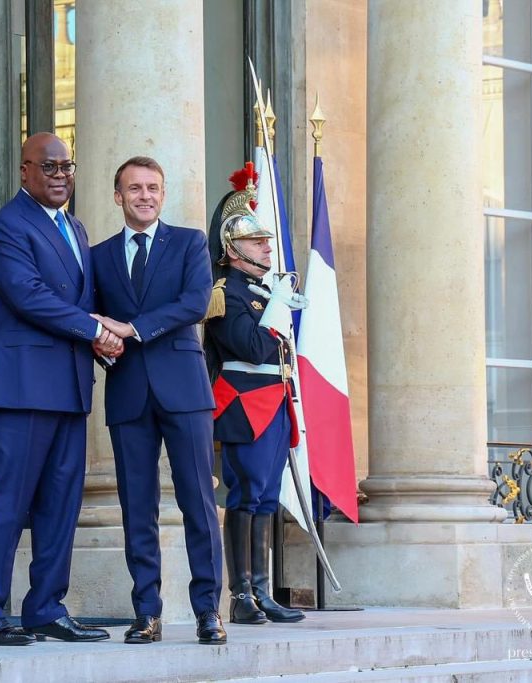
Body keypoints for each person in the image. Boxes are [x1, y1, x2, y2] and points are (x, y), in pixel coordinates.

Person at [0, 132, 121, 646]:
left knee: (61, 504)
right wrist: (92, 328)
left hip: (69, 385)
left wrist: (99, 332)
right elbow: (29, 297)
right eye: (48, 167)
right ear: (24, 172)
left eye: (66, 167)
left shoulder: (75, 226)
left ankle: (46, 608)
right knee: (7, 503)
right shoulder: (7, 227)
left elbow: (78, 298)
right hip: (19, 388)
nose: (59, 176)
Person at [91, 156, 226, 645]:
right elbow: (91, 315)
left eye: (152, 187)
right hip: (127, 391)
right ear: (118, 196)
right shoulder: (99, 255)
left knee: (198, 501)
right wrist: (99, 340)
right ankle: (146, 611)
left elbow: (195, 302)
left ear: (163, 194)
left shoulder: (190, 243)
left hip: (185, 390)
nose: (144, 195)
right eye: (134, 188)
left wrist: (132, 328)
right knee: (136, 506)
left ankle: (209, 610)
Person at [203, 164, 306, 625]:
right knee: (245, 495)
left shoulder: (263, 292)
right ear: (232, 249)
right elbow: (250, 346)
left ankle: (261, 592)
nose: (267, 245)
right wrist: (278, 306)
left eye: (266, 239)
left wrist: (277, 301)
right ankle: (241, 594)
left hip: (274, 400)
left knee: (265, 498)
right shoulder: (228, 293)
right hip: (245, 403)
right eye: (256, 240)